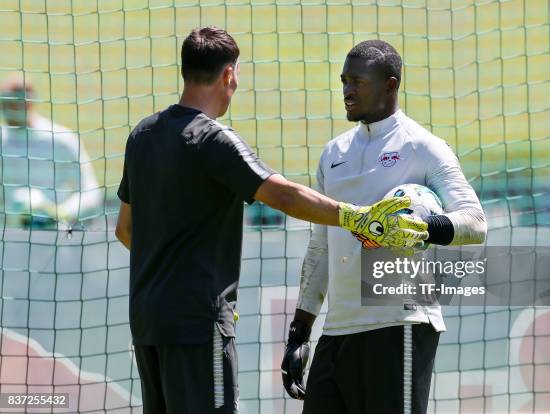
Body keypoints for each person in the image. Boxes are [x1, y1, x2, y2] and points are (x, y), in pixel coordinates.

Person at [114, 27, 429, 414]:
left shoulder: (142, 135)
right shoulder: (214, 140)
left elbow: (125, 230)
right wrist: (359, 218)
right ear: (229, 75)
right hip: (197, 322)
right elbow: (283, 195)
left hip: (147, 321)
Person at [281, 40, 487, 414]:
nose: (346, 91)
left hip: (401, 325)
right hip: (338, 333)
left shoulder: (424, 147)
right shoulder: (333, 154)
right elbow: (321, 247)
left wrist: (424, 226)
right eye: (344, 81)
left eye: (357, 81)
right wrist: (300, 330)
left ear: (390, 85)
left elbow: (475, 222)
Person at [0, 76, 102, 229]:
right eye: (4, 104)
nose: (7, 109)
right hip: (7, 240)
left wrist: (59, 212)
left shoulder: (60, 139)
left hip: (53, 238)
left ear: (29, 103)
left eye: (13, 103)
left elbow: (91, 193)